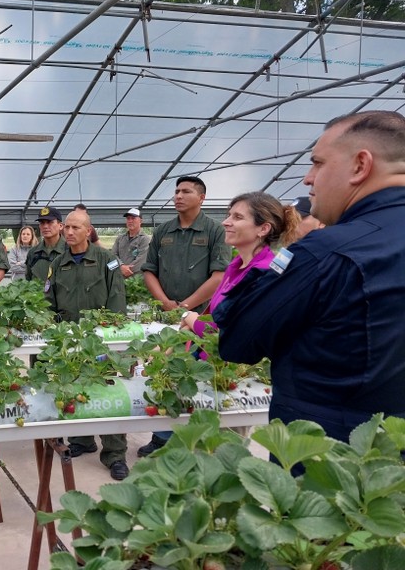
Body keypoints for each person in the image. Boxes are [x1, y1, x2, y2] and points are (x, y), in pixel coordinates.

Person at [214, 110, 405, 447]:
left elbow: (239, 341)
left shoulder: (324, 253)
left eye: (318, 163)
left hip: (328, 453)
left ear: (360, 165)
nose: (307, 178)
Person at [138, 175, 231, 456]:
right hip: (167, 318)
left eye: (186, 191)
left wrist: (187, 306)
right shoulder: (164, 231)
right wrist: (165, 302)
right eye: (176, 191)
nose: (178, 196)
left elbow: (219, 275)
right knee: (163, 374)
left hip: (201, 318)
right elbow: (149, 270)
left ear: (201, 198)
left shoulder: (215, 231)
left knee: (198, 377)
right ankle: (162, 437)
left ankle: (199, 437)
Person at [44, 209, 129, 481]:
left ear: (88, 230)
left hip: (100, 340)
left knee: (107, 393)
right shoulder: (58, 264)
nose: (69, 232)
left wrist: (111, 335)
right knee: (74, 386)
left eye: (75, 228)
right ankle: (82, 439)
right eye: (66, 227)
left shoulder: (107, 260)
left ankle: (115, 454)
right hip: (68, 339)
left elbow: (117, 298)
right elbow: (49, 301)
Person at [179, 192, 297, 337]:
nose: (225, 222)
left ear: (263, 229)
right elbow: (214, 319)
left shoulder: (265, 273)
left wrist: (190, 318)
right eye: (229, 215)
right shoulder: (236, 265)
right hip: (211, 355)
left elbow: (235, 333)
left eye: (238, 217)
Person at [25, 206, 65, 283]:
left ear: (60, 226)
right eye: (42, 223)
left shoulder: (70, 250)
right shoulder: (33, 253)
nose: (45, 226)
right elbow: (29, 281)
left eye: (50, 222)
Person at [112, 207, 151, 279]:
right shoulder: (120, 238)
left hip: (136, 282)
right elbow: (111, 257)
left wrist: (123, 270)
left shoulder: (145, 239)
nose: (130, 221)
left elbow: (141, 262)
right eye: (128, 218)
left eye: (133, 218)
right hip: (118, 279)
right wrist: (121, 267)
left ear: (140, 221)